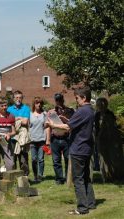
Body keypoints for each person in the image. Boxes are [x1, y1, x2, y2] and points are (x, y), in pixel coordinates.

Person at [46, 87, 96, 215]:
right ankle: (91, 203)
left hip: (78, 148)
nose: (76, 100)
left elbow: (68, 127)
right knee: (86, 177)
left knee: (78, 179)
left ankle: (82, 208)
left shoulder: (82, 111)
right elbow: (75, 124)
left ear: (84, 98)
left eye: (77, 98)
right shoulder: (91, 110)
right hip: (87, 148)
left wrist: (52, 125)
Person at [94, 97, 124, 182]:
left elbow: (113, 127)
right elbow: (97, 128)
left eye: (102, 104)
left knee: (113, 158)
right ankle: (106, 177)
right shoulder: (97, 115)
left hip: (111, 139)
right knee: (103, 159)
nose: (101, 106)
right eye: (99, 104)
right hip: (101, 139)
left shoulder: (110, 114)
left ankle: (117, 175)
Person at [48, 93, 74, 184]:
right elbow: (47, 125)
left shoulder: (69, 111)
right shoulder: (51, 111)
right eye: (57, 100)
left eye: (60, 100)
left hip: (66, 137)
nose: (58, 102)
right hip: (55, 138)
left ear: (63, 100)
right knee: (56, 160)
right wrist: (47, 139)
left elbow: (73, 124)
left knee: (67, 158)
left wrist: (64, 117)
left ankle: (68, 177)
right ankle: (59, 178)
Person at [7, 90, 30, 175]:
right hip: (12, 137)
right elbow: (8, 122)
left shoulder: (26, 108)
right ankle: (14, 177)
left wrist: (15, 118)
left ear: (22, 98)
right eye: (16, 97)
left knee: (23, 159)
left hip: (22, 138)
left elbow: (25, 122)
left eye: (20, 97)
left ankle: (25, 178)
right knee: (13, 159)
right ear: (13, 99)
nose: (18, 99)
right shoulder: (9, 109)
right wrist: (20, 118)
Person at [29, 97, 50, 183]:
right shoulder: (30, 114)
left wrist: (48, 139)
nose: (39, 105)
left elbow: (47, 127)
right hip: (32, 140)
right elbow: (28, 127)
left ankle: (40, 175)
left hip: (42, 140)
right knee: (34, 159)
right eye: (37, 103)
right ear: (34, 104)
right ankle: (35, 175)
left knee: (41, 159)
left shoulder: (44, 114)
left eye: (40, 103)